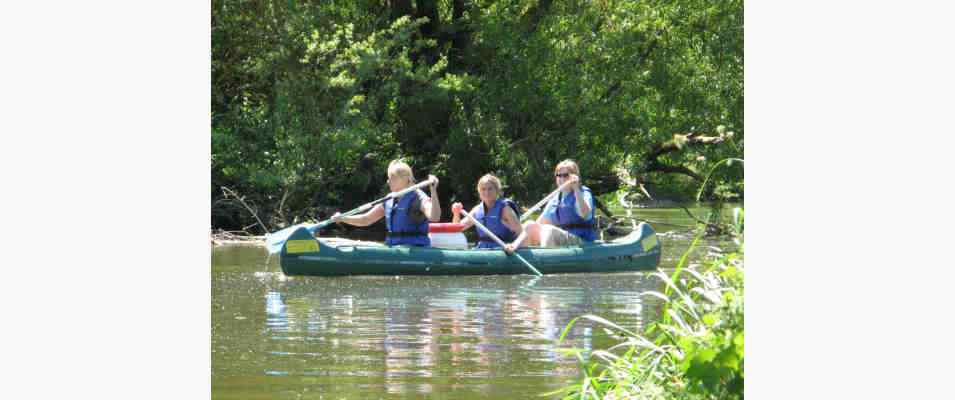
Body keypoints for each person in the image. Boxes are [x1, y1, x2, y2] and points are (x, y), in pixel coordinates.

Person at [331, 160, 441, 247]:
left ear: (406, 179)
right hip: (393, 247)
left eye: (392, 178)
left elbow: (434, 217)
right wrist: (343, 218)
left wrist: (433, 191)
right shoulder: (389, 199)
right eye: (389, 178)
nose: (388, 181)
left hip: (415, 249)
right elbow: (366, 219)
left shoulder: (418, 198)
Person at [504, 159, 595, 253]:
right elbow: (539, 223)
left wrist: (576, 188)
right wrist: (515, 227)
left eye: (565, 175)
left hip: (582, 243)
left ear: (574, 177)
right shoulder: (556, 198)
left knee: (549, 230)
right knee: (530, 225)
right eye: (558, 175)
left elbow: (584, 214)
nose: (562, 178)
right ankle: (513, 248)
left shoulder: (583, 192)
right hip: (563, 241)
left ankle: (544, 259)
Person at [451, 174, 523, 249]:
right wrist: (456, 213)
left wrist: (513, 246)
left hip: (503, 249)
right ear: (479, 192)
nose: (487, 192)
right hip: (482, 250)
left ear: (497, 190)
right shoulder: (477, 210)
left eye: (490, 189)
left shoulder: (505, 209)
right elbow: (456, 229)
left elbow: (521, 233)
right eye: (483, 189)